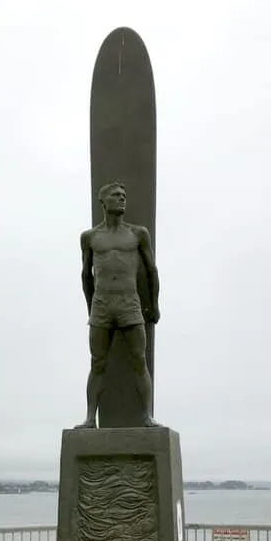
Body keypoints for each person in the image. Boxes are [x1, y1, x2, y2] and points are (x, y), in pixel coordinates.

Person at [76, 181, 160, 429]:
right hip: (102, 304)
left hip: (129, 303)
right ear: (103, 201)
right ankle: (91, 418)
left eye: (124, 195)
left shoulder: (137, 234)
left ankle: (147, 416)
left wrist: (153, 305)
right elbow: (85, 275)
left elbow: (151, 271)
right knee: (97, 362)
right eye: (115, 195)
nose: (121, 198)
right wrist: (90, 306)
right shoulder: (90, 237)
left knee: (138, 360)